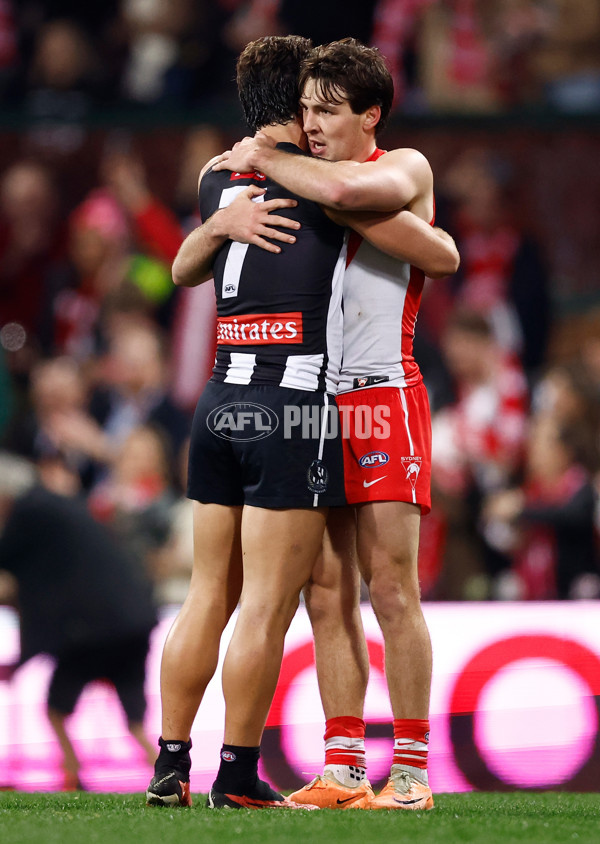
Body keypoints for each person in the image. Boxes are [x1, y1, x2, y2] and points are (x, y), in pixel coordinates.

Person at [146, 35, 458, 811]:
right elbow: (197, 257)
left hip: (380, 395)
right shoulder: (313, 178)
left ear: (370, 114)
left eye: (328, 110)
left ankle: (413, 771)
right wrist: (253, 182)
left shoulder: (400, 168)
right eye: (307, 108)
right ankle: (346, 765)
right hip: (313, 402)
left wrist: (262, 158)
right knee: (325, 594)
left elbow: (423, 244)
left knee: (391, 589)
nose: (314, 122)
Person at [0, 451, 158, 791]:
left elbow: (11, 563)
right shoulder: (59, 508)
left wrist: (22, 659)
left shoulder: (29, 510)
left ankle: (73, 773)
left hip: (95, 628)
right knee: (134, 721)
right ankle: (170, 774)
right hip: (134, 616)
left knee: (56, 708)